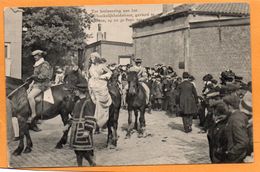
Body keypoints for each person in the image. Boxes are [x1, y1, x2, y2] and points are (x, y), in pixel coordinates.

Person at [70, 82, 96, 166]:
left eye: (76, 90)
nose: (75, 91)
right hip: (76, 130)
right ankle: (90, 163)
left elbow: (90, 117)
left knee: (81, 151)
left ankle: (83, 166)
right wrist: (67, 125)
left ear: (81, 91)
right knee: (78, 151)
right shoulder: (78, 102)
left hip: (83, 129)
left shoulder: (88, 102)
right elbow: (74, 116)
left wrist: (87, 130)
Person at [27, 50, 53, 132]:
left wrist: (33, 77)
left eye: (36, 56)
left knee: (30, 96)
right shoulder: (37, 64)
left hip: (43, 84)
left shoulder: (44, 64)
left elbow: (43, 76)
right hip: (37, 83)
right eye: (34, 56)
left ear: (40, 56)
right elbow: (36, 77)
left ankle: (34, 114)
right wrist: (31, 82)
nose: (35, 57)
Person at [88, 52, 112, 128]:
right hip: (92, 82)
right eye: (91, 58)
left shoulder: (102, 66)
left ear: (96, 58)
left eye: (93, 58)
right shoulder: (91, 66)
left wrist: (103, 76)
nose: (92, 59)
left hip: (100, 82)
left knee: (100, 98)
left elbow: (110, 72)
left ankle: (101, 118)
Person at [223, 94, 249, 163]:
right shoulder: (235, 116)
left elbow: (243, 142)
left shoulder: (235, 119)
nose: (224, 108)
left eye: (225, 105)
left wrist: (231, 152)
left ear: (229, 106)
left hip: (235, 158)